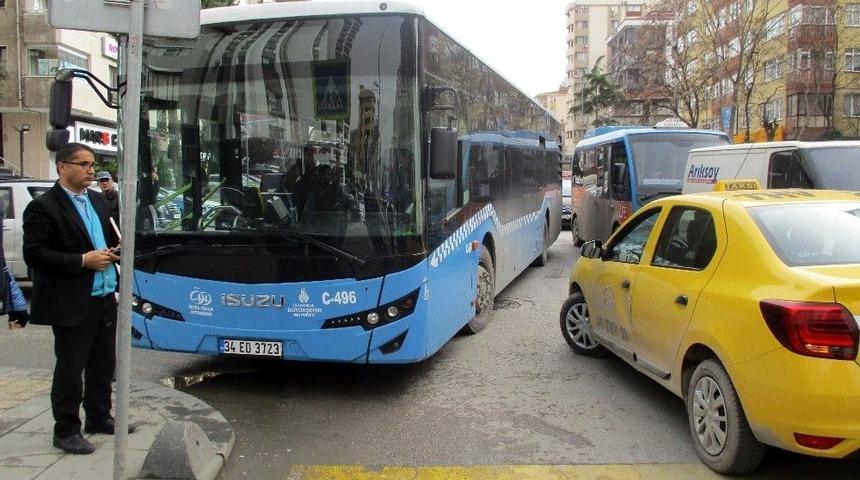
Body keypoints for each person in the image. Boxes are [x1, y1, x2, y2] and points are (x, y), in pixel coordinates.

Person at [22, 142, 132, 456]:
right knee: (71, 368)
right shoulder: (44, 207)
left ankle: (98, 417)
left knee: (103, 363)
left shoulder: (98, 201)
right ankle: (66, 429)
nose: (91, 170)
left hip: (104, 296)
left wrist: (113, 252)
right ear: (62, 167)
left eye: (92, 164)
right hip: (71, 301)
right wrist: (83, 261)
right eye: (83, 164)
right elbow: (35, 254)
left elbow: (106, 239)